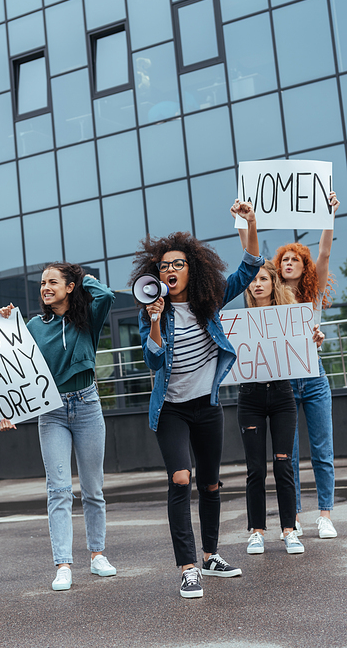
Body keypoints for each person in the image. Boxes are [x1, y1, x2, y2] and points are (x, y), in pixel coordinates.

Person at [130, 200, 263, 599]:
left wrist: (250, 222)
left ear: (193, 269)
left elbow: (250, 266)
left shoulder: (211, 299)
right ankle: (188, 568)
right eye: (164, 266)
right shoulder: (152, 310)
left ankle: (210, 556)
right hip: (170, 409)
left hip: (207, 407)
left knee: (210, 484)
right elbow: (152, 359)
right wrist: (154, 320)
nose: (170, 270)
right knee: (180, 478)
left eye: (177, 264)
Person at [0, 263, 116, 591]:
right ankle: (63, 564)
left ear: (70, 286)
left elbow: (105, 294)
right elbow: (8, 363)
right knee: (59, 490)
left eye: (53, 282)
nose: (45, 287)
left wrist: (82, 279)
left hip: (88, 405)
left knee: (94, 489)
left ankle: (97, 555)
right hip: (51, 412)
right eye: (42, 283)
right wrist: (6, 322)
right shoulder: (33, 325)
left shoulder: (88, 317)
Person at [239, 261, 324, 556]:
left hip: (282, 395)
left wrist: (315, 341)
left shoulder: (292, 317)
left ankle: (289, 530)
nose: (257, 284)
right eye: (253, 280)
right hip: (249, 397)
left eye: (263, 278)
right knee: (255, 470)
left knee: (284, 464)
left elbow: (305, 349)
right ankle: (257, 532)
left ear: (273, 282)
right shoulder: (238, 321)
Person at [273, 191, 340, 539]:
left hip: (314, 380)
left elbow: (326, 252)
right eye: (283, 259)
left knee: (322, 450)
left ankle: (325, 514)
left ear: (303, 266)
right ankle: (294, 516)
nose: (287, 263)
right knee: (290, 456)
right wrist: (246, 223)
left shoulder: (311, 299)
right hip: (285, 382)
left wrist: (327, 215)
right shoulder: (269, 300)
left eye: (293, 259)